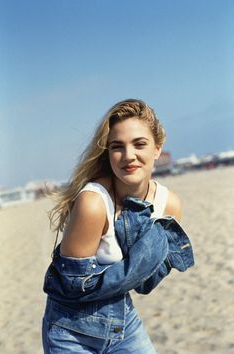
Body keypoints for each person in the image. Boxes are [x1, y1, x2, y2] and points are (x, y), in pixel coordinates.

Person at [42, 98, 194, 353]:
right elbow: (72, 287)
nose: (128, 156)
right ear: (108, 153)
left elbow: (145, 285)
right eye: (117, 147)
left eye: (139, 144)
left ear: (157, 149)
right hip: (71, 331)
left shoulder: (169, 205)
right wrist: (139, 259)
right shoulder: (94, 203)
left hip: (123, 324)